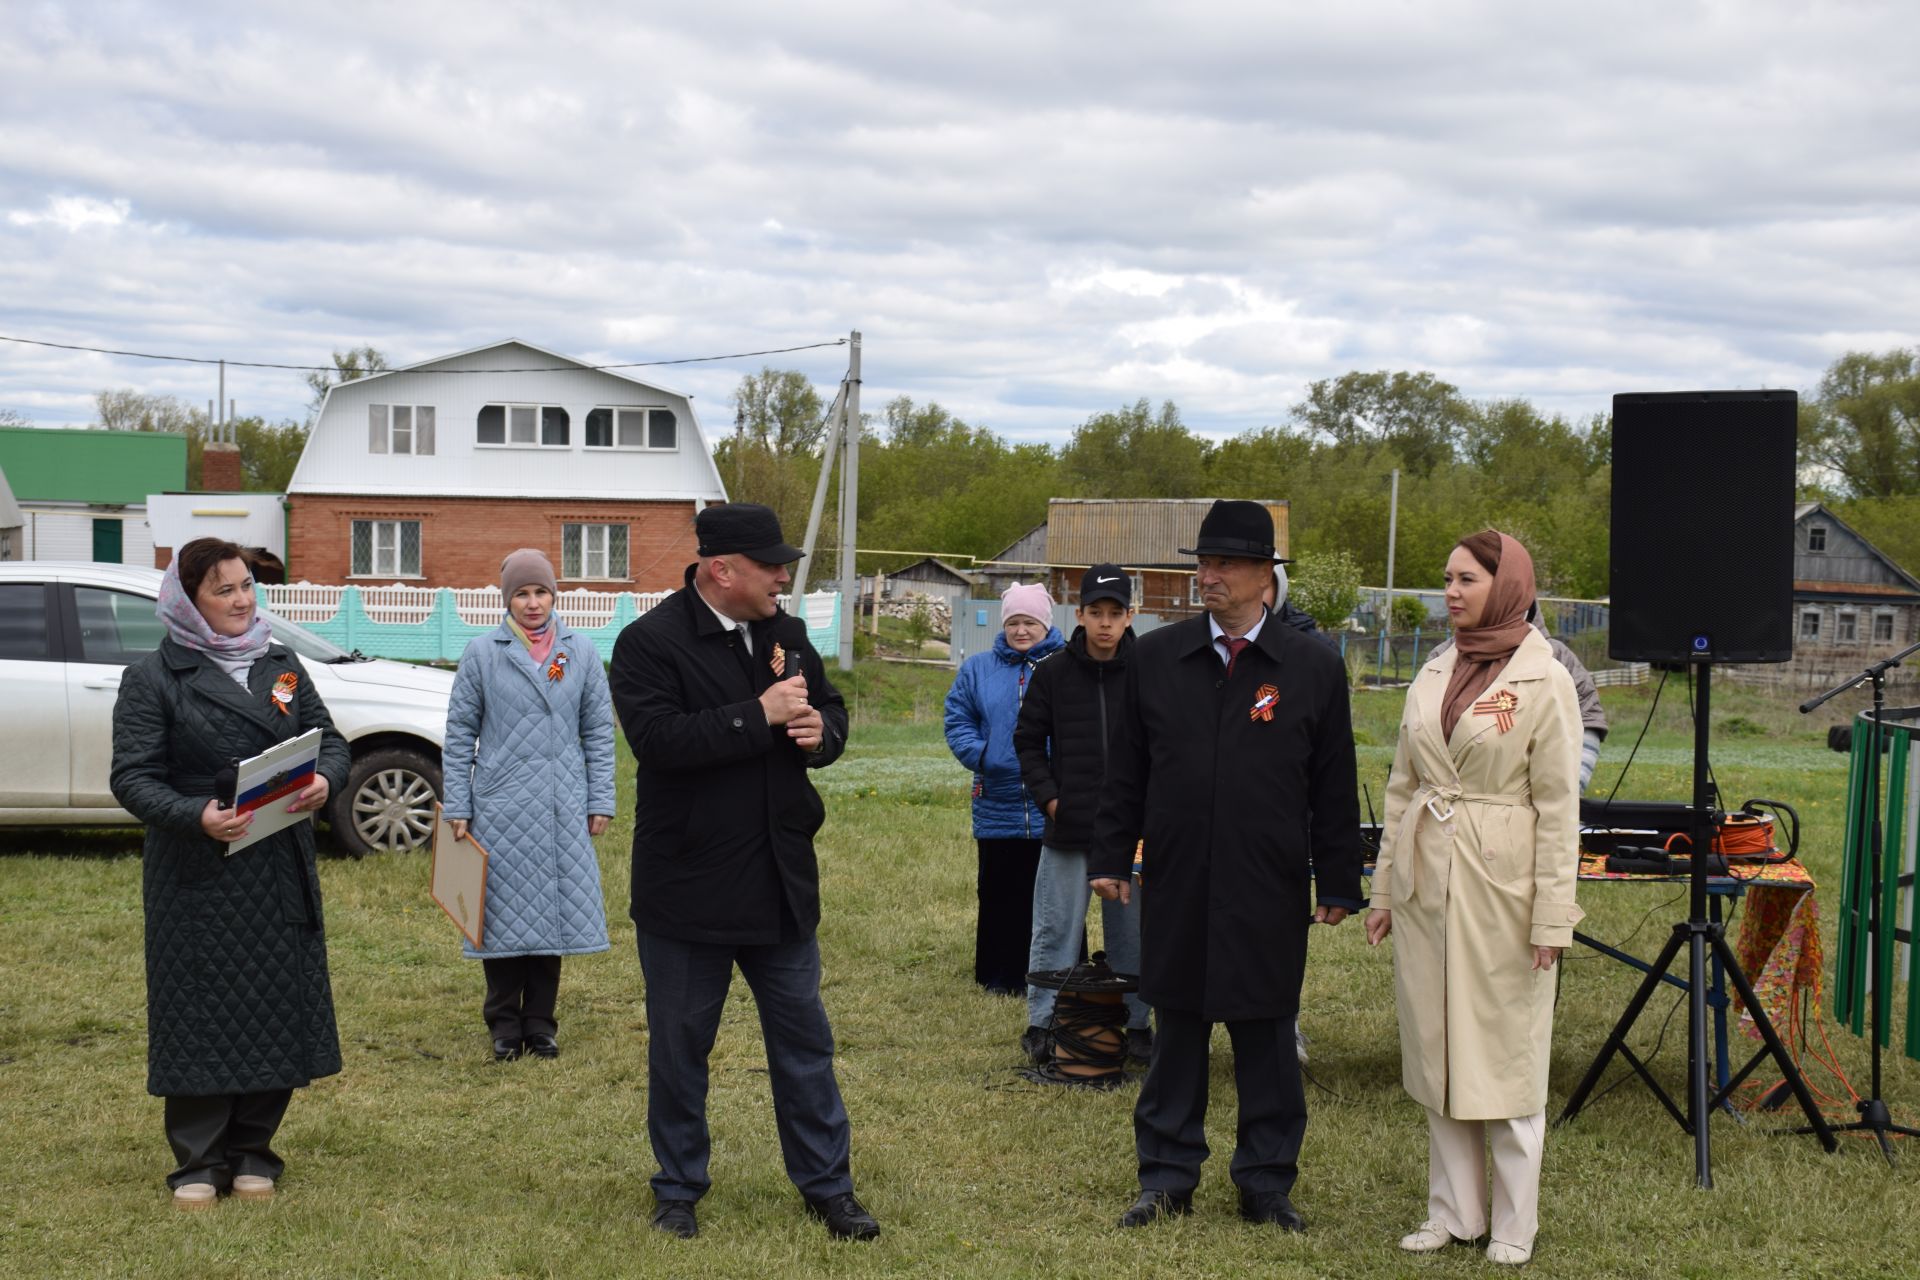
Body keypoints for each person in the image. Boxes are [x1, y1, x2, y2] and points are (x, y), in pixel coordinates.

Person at [1089, 500, 1363, 1232]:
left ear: (1264, 574)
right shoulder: (1155, 656)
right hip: (1177, 878)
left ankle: (1266, 1184)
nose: (1207, 576)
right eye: (1202, 564)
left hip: (1267, 881)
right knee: (1176, 1029)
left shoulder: (1312, 666)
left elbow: (1334, 782)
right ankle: (1166, 1177)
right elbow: (1128, 773)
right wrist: (1113, 853)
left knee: (1267, 1034)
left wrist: (1338, 876)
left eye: (1225, 565)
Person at [608, 502, 877, 1243]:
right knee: (681, 1049)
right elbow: (659, 742)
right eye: (771, 565)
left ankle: (829, 1187)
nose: (784, 576)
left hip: (780, 883)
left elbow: (829, 708)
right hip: (687, 890)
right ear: (721, 570)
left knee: (804, 1045)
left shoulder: (785, 634)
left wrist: (825, 733)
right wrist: (754, 713)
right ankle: (678, 1189)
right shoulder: (647, 643)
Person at [110, 537, 349, 1211]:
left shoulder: (282, 664)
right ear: (189, 601)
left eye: (247, 585)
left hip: (276, 867)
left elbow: (329, 740)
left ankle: (254, 1151)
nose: (243, 600)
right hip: (198, 876)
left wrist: (326, 782)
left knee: (274, 1011)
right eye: (225, 590)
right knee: (199, 1018)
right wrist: (197, 815)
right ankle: (198, 1160)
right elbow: (131, 778)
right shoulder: (154, 678)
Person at [1364, 530, 1582, 1267]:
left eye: (1465, 579)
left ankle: (1515, 1223)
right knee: (1436, 1050)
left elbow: (1559, 810)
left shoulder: (1544, 678)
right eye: (1446, 579)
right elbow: (1403, 789)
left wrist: (1553, 914)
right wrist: (1386, 888)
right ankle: (1454, 1211)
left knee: (1506, 1053)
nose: (1450, 592)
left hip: (1504, 885)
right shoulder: (1433, 669)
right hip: (1429, 879)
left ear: (1506, 584)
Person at [441, 548, 614, 1062]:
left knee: (551, 916)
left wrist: (600, 797)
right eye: (522, 593)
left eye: (541, 592)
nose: (533, 603)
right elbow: (459, 734)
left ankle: (540, 1022)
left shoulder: (579, 652)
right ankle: (503, 1023)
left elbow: (599, 731)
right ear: (507, 598)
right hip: (501, 805)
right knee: (499, 919)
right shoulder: (482, 652)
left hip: (562, 803)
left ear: (554, 595)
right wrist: (458, 804)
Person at [1012, 563, 1147, 1065]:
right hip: (1068, 830)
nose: (1106, 623)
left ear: (1131, 616)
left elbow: (1165, 745)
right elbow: (1026, 741)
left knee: (1131, 932)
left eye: (1116, 613)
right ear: (1080, 614)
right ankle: (1042, 1024)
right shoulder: (1053, 673)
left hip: (1131, 833)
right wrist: (1052, 799)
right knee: (1056, 928)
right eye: (1097, 612)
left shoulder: (1148, 671)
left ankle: (1136, 1025)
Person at [943, 582, 1066, 994]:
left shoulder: (1066, 666)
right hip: (997, 799)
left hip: (1052, 798)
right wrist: (983, 756)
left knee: (1053, 893)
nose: (1021, 630)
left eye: (1029, 621)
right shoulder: (977, 669)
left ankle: (1057, 972)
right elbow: (957, 718)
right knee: (999, 890)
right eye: (1014, 622)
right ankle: (999, 975)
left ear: (1045, 624)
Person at [1427, 604, 1609, 790]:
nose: (1454, 592)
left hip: (1522, 809)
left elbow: (1588, 722)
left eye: (1468, 580)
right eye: (1449, 581)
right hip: (1442, 805)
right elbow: (1419, 736)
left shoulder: (1557, 658)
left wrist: (1570, 789)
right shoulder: (1441, 659)